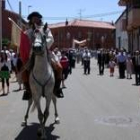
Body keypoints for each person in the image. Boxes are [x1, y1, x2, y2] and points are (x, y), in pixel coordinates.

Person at [20, 11, 63, 99]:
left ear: (40, 19)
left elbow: (51, 39)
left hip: (45, 52)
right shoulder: (27, 32)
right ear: (31, 20)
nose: (35, 19)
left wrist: (41, 46)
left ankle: (57, 89)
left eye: (37, 18)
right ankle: (28, 91)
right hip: (32, 54)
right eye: (33, 18)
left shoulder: (46, 29)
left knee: (59, 68)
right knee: (24, 71)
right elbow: (25, 44)